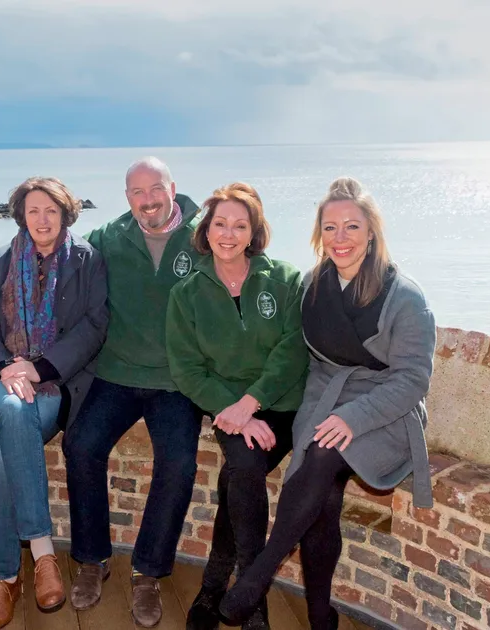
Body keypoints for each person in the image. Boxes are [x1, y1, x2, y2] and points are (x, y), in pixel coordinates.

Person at [216, 177, 437, 629]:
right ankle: (321, 617)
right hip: (329, 396)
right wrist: (315, 418)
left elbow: (413, 379)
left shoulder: (406, 297)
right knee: (323, 493)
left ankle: (258, 573)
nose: (341, 239)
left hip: (386, 409)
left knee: (321, 453)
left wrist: (353, 417)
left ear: (371, 232)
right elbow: (316, 365)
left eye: (352, 227)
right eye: (330, 227)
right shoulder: (315, 285)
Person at [0, 177, 109, 629]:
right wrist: (8, 366)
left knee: (8, 449)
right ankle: (41, 550)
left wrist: (38, 369)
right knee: (9, 406)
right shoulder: (3, 259)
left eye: (50, 210)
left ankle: (5, 578)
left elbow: (93, 325)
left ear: (65, 214)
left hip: (57, 384)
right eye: (32, 211)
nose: (41, 219)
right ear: (21, 216)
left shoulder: (86, 260)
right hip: (2, 376)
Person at [63, 157, 203, 628]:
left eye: (155, 189)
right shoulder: (110, 237)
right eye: (137, 193)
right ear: (127, 198)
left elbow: (245, 266)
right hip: (116, 372)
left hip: (177, 380)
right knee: (80, 444)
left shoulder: (204, 235)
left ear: (172, 188)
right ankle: (91, 559)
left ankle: (148, 571)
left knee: (180, 462)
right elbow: (64, 260)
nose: (148, 200)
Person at [166, 183, 308, 630]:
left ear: (254, 232)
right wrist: (235, 411)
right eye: (219, 224)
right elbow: (187, 372)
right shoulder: (185, 295)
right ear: (205, 231)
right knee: (244, 464)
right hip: (227, 409)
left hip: (283, 406)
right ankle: (253, 596)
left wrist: (252, 403)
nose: (228, 233)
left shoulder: (286, 280)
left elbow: (294, 351)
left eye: (239, 225)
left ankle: (215, 584)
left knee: (236, 475)